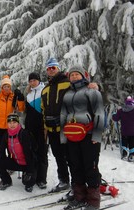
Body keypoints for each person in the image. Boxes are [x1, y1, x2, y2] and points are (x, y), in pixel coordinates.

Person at [60, 66, 104, 210]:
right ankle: (79, 197)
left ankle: (93, 201)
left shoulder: (91, 91)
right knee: (75, 166)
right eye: (71, 75)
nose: (74, 77)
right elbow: (63, 116)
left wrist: (97, 135)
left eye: (77, 74)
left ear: (83, 76)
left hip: (89, 135)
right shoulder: (67, 94)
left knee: (90, 167)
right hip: (72, 136)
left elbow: (99, 113)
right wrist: (63, 137)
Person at [41, 58, 71, 192]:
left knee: (71, 156)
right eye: (49, 68)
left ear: (58, 68)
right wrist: (45, 126)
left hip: (66, 128)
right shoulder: (45, 89)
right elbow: (43, 109)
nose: (51, 70)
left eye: (53, 67)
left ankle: (78, 183)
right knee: (58, 156)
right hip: (51, 129)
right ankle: (64, 180)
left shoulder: (67, 83)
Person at [0, 113, 36, 192]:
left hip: (27, 163)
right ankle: (7, 181)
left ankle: (29, 178)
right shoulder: (6, 135)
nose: (12, 125)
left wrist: (29, 171)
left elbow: (29, 154)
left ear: (18, 123)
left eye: (14, 122)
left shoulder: (23, 134)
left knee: (27, 182)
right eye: (10, 123)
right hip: (16, 162)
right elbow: (1, 151)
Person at [25, 72, 49, 189]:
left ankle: (42, 179)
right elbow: (26, 112)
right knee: (31, 153)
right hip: (30, 128)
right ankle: (32, 177)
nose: (32, 82)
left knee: (42, 153)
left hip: (42, 128)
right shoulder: (28, 94)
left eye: (34, 80)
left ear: (39, 80)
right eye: (30, 81)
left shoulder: (44, 91)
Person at [0, 75, 25, 150]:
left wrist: (20, 98)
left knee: (10, 147)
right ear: (2, 87)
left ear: (10, 87)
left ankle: (10, 161)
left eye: (8, 86)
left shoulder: (14, 97)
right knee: (0, 146)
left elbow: (21, 109)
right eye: (5, 86)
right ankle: (1, 160)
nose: (6, 88)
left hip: (10, 126)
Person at [112, 96, 134, 161]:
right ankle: (132, 155)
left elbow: (115, 118)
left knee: (124, 142)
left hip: (124, 131)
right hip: (133, 132)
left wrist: (113, 114)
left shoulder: (121, 111)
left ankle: (124, 154)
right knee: (132, 143)